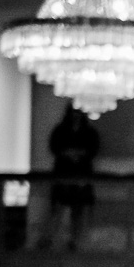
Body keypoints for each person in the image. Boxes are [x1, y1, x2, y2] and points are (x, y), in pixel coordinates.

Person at [48, 103, 100, 250]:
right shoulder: (60, 130)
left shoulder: (89, 132)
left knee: (78, 209)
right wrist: (68, 154)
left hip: (81, 175)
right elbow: (54, 147)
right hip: (63, 173)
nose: (76, 115)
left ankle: (75, 240)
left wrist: (80, 155)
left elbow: (93, 149)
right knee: (59, 207)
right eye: (74, 112)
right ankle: (54, 240)